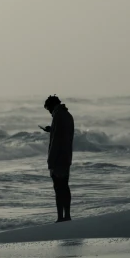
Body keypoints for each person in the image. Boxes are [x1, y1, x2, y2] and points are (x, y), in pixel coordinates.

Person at [43, 94, 74, 222]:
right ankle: (67, 215)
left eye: (49, 109)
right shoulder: (67, 115)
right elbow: (63, 133)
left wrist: (51, 161)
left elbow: (56, 141)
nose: (49, 112)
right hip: (66, 157)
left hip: (58, 158)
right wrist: (52, 129)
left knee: (58, 188)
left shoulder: (58, 116)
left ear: (52, 106)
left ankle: (60, 217)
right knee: (65, 187)